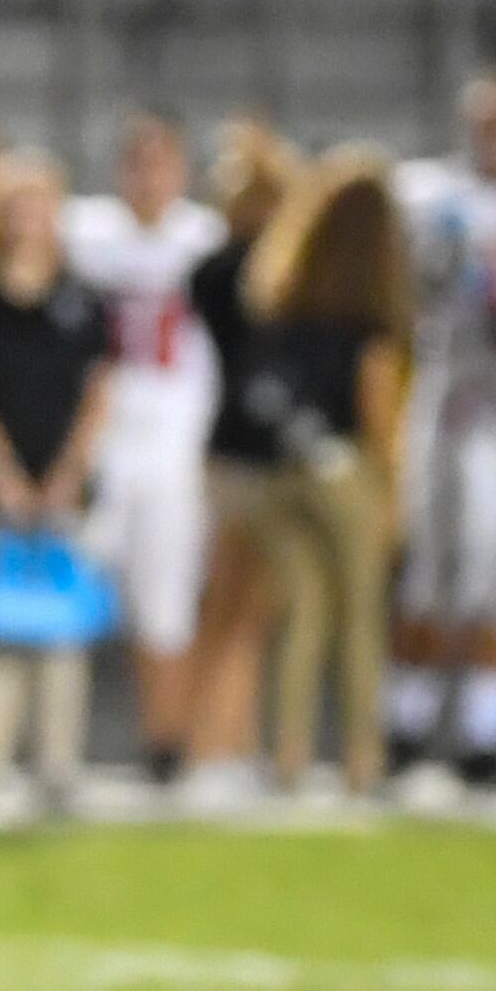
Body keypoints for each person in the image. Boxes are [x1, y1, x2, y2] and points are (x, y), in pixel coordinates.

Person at [0, 152, 114, 811]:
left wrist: (68, 473)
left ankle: (56, 766)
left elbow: (98, 390)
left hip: (61, 488)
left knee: (60, 630)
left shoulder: (81, 295)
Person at [389, 72, 496, 786]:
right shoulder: (433, 196)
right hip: (439, 390)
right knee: (427, 569)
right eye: (487, 121)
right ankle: (406, 728)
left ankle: (486, 740)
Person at [235, 148, 413, 791]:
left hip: (280, 473)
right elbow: (379, 414)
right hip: (345, 473)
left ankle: (288, 757)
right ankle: (363, 760)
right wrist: (393, 496)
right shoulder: (370, 315)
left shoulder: (283, 301)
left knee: (302, 616)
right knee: (360, 619)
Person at [62, 111, 227, 783]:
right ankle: (54, 748)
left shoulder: (207, 241)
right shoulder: (84, 232)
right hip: (94, 439)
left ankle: (168, 747)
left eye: (162, 160)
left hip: (173, 445)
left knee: (166, 603)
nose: (150, 175)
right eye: (138, 160)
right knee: (68, 591)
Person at [183, 120, 299, 781]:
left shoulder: (278, 270)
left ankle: (237, 740)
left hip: (263, 453)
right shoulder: (221, 273)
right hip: (238, 452)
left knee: (257, 610)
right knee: (230, 604)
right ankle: (213, 742)